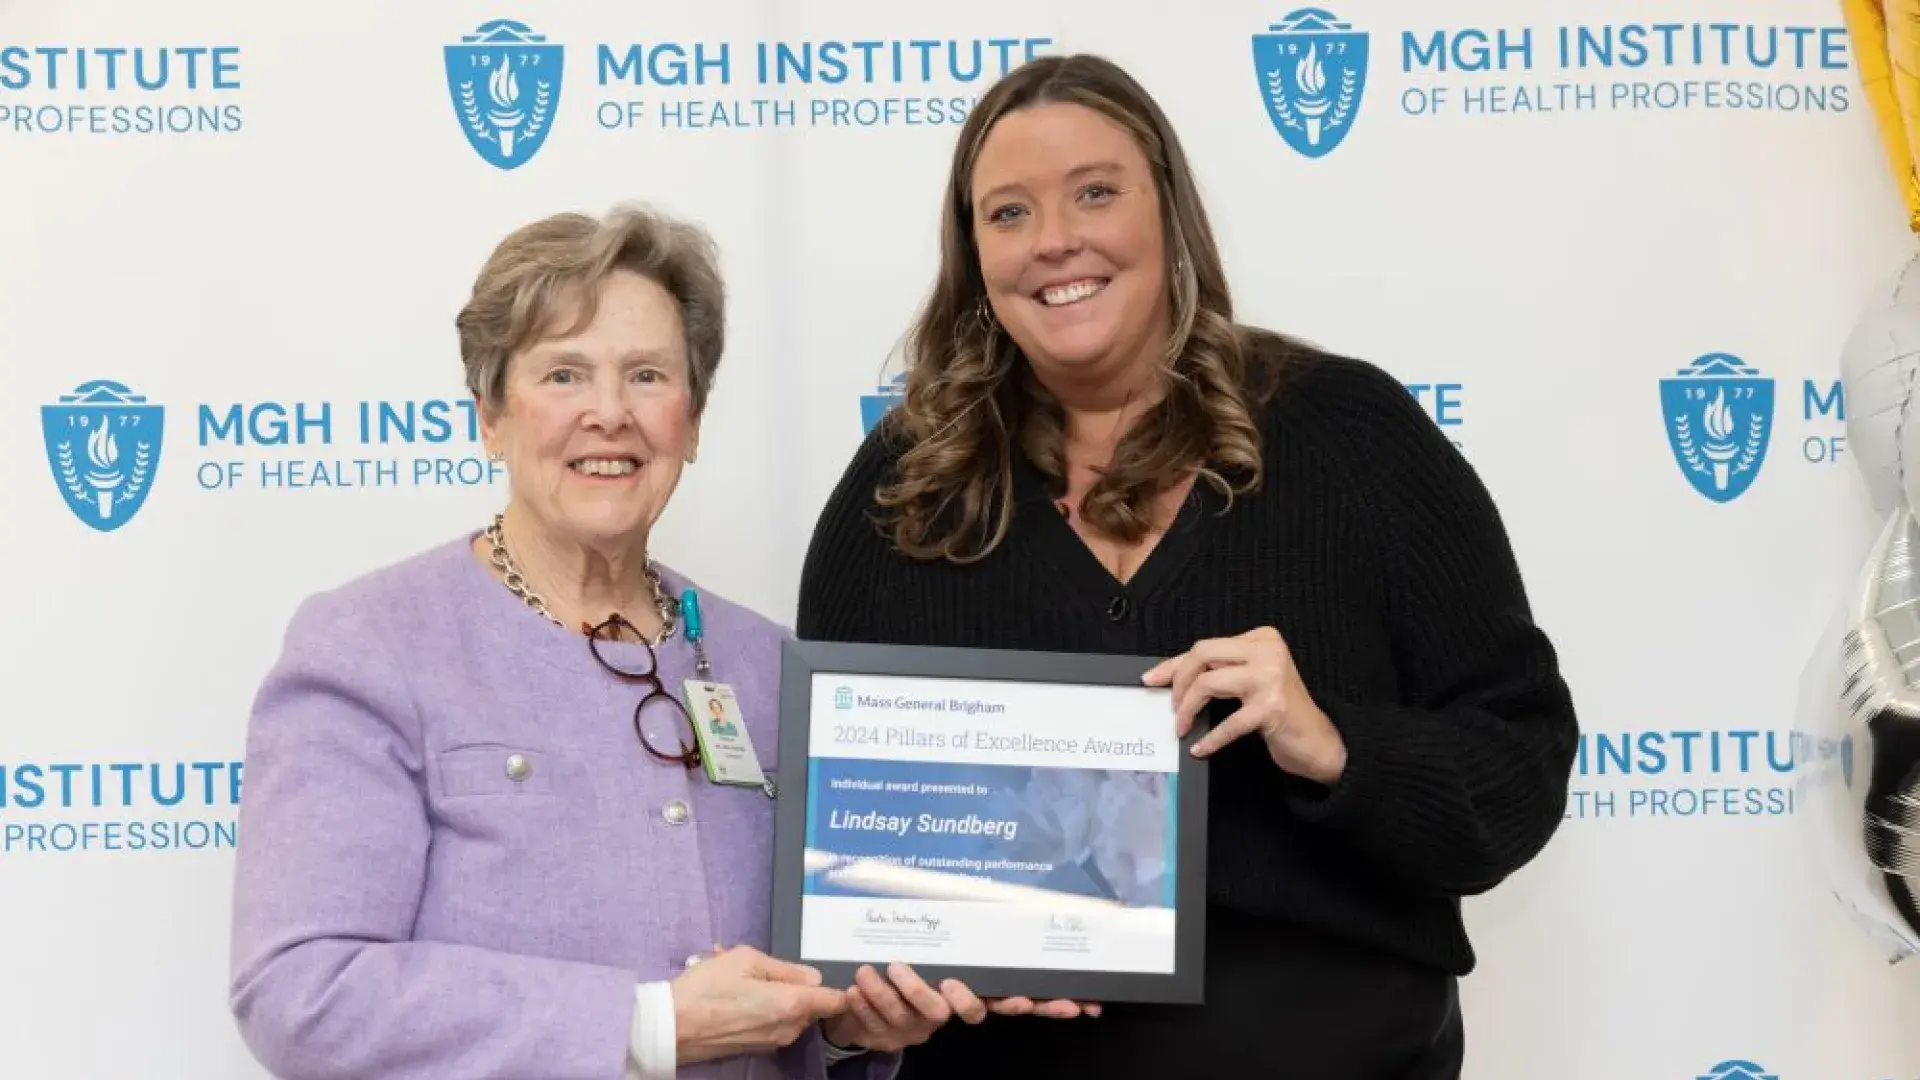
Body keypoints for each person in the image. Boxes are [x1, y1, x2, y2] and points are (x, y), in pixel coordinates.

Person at [795, 54, 1580, 1079]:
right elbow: (842, 844)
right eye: (1009, 213)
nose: (1056, 240)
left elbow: (1518, 770)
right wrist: (869, 992)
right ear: (973, 254)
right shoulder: (902, 488)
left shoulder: (1353, 438)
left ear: (1169, 215)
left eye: (1095, 192)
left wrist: (1335, 741)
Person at [227, 205, 1038, 1079]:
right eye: (565, 375)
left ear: (690, 423)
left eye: (648, 376)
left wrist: (848, 1030)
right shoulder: (370, 647)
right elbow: (301, 992)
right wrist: (647, 1024)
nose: (609, 414)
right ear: (490, 416)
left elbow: (792, 1014)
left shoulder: (768, 666)